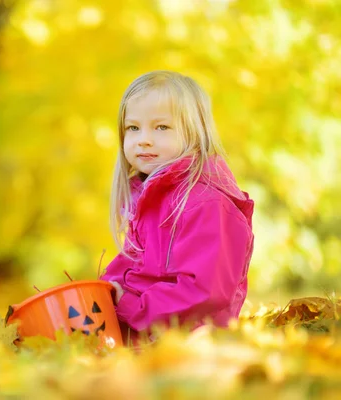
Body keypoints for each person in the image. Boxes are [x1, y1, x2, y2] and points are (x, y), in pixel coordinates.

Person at [99, 70, 254, 344]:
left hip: (188, 346)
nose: (143, 139)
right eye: (133, 128)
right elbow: (133, 267)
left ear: (194, 133)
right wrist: (104, 291)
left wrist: (129, 306)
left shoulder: (206, 204)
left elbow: (204, 291)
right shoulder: (149, 198)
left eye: (162, 127)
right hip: (147, 340)